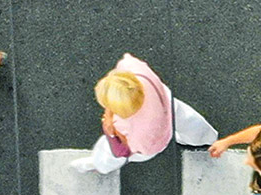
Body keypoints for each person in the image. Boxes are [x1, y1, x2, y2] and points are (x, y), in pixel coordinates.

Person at [73, 53, 219, 174]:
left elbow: (124, 151)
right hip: (165, 101)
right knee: (188, 120)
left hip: (155, 137)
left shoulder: (132, 129)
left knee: (108, 152)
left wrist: (111, 134)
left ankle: (100, 166)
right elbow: (128, 62)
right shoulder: (134, 70)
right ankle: (206, 137)